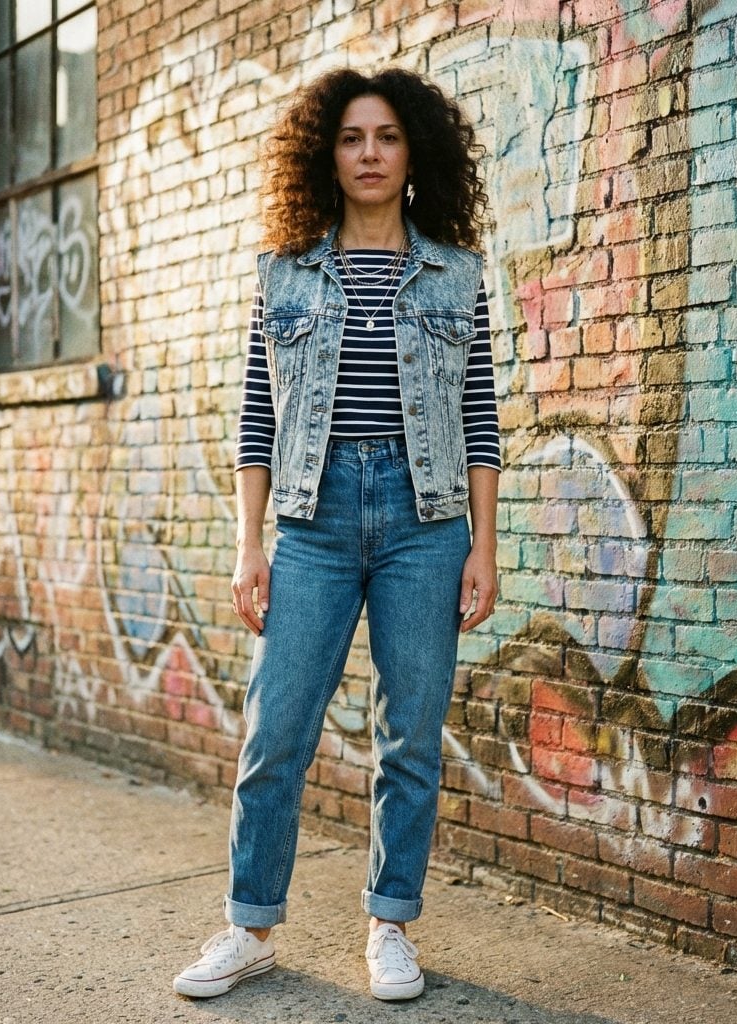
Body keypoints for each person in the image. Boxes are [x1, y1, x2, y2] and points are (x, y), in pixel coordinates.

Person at [173, 67, 500, 1002]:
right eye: (353, 137)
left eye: (387, 137)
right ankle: (250, 926)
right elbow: (253, 418)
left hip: (424, 520)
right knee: (275, 733)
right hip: (312, 523)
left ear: (414, 153)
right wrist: (250, 542)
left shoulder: (456, 273)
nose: (369, 154)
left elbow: (479, 415)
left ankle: (390, 924)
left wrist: (485, 545)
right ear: (328, 152)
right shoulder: (283, 270)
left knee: (412, 739)